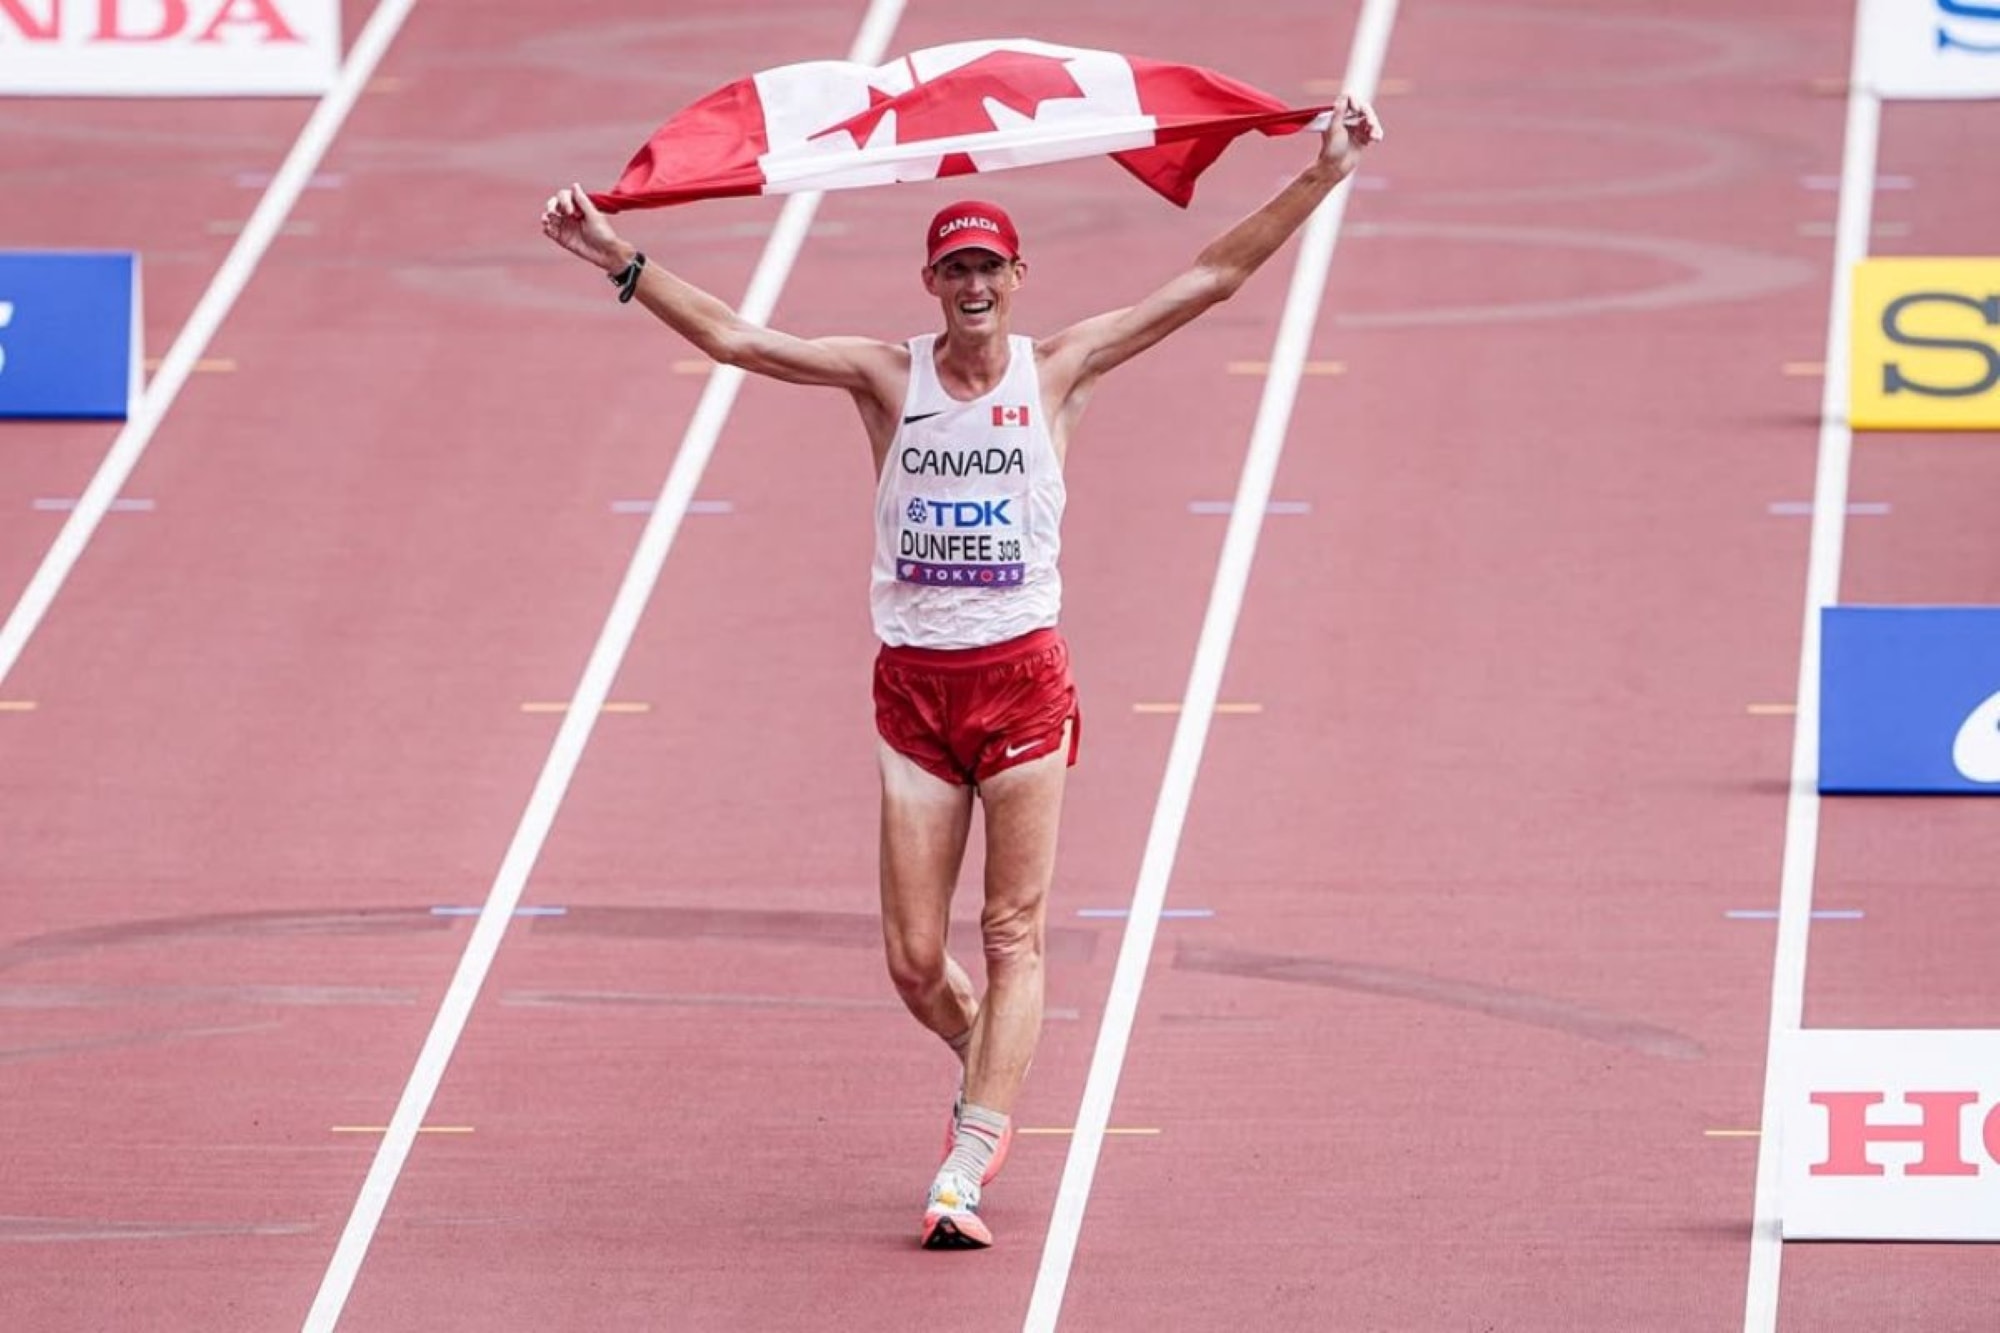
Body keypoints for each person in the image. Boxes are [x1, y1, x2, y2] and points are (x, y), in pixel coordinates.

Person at [540, 92, 1383, 1251]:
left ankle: (964, 1162)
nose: (973, 285)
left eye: (988, 266)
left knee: (1013, 928)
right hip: (915, 694)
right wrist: (618, 260)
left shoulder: (1062, 369)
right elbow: (739, 339)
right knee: (912, 962)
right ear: (931, 283)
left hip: (1022, 683)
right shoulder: (888, 379)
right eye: (955, 271)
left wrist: (1320, 175)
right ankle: (991, 1052)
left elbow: (1207, 282)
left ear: (1017, 275)